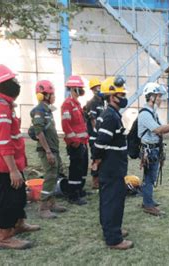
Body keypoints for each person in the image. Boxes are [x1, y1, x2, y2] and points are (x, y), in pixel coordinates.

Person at [0, 64, 39, 249]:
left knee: (19, 195)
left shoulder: (4, 105)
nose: (14, 83)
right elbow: (4, 142)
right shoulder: (0, 108)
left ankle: (18, 224)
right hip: (3, 165)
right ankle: (4, 237)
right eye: (9, 81)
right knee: (6, 199)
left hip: (9, 163)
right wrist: (13, 170)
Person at [93, 77, 133, 250]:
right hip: (112, 167)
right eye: (120, 94)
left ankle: (110, 229)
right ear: (111, 96)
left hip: (112, 166)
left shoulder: (111, 114)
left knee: (109, 200)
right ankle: (113, 239)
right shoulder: (110, 116)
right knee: (113, 201)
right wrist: (97, 160)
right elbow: (100, 143)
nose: (123, 97)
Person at [138, 82, 169, 216]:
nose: (160, 99)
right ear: (151, 96)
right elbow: (158, 129)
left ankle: (148, 200)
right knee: (149, 178)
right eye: (158, 96)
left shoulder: (153, 113)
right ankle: (148, 205)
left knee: (151, 177)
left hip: (154, 149)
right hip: (149, 150)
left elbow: (160, 130)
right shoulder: (145, 114)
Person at [31, 80, 67, 219]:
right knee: (50, 175)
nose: (54, 96)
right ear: (43, 95)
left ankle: (52, 203)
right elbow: (39, 132)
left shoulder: (47, 110)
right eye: (52, 94)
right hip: (47, 150)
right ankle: (43, 207)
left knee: (56, 174)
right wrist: (48, 151)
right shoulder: (39, 111)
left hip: (53, 148)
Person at [61, 75, 89, 205]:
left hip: (83, 141)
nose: (81, 90)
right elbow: (66, 125)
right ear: (73, 89)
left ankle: (79, 189)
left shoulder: (76, 104)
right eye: (79, 88)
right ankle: (73, 194)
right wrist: (75, 140)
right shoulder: (67, 104)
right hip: (76, 143)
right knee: (75, 168)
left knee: (83, 167)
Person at [85, 77, 104, 189]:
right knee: (96, 158)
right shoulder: (92, 103)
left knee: (102, 158)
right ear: (92, 89)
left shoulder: (102, 102)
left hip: (101, 135)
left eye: (100, 87)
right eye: (97, 87)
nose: (99, 89)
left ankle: (100, 178)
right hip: (94, 136)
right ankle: (95, 181)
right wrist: (98, 133)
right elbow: (93, 120)